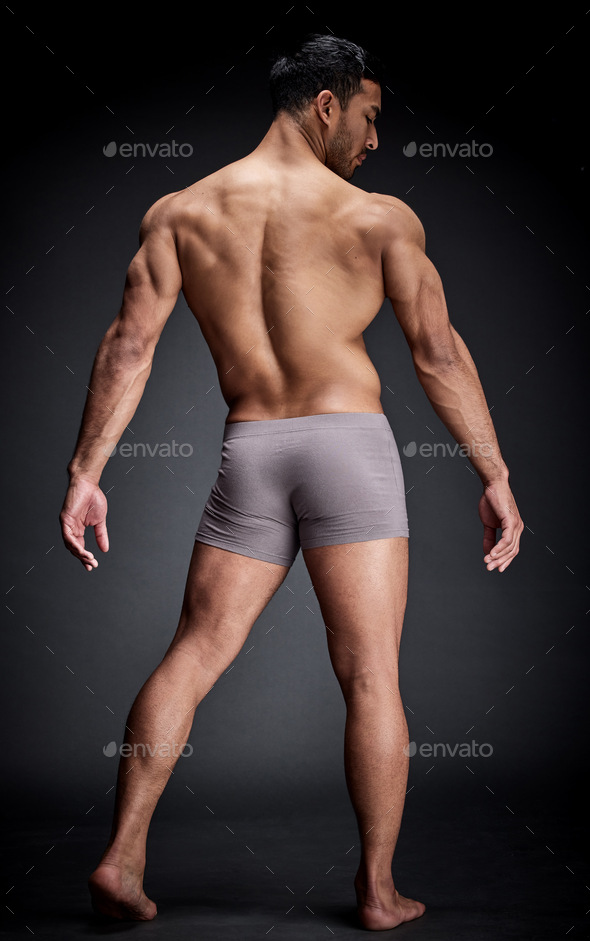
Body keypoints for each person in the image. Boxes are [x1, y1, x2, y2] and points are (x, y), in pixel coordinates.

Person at [59, 33, 523, 931]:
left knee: (191, 653)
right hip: (348, 446)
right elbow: (437, 353)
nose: (375, 140)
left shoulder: (181, 213)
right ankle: (379, 891)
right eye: (370, 116)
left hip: (253, 448)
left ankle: (120, 858)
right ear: (327, 103)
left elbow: (128, 347)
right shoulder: (380, 218)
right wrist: (494, 472)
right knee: (371, 675)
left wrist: (87, 472)